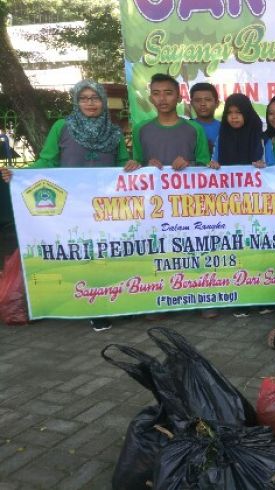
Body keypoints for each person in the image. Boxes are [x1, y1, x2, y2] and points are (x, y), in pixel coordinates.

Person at [1, 79, 129, 332]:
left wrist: (132, 167)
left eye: (95, 98)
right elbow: (47, 160)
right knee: (75, 254)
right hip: (69, 207)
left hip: (104, 206)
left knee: (102, 255)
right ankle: (72, 303)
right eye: (84, 98)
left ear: (103, 101)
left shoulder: (113, 132)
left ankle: (101, 305)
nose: (90, 103)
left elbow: (122, 165)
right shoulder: (63, 127)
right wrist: (19, 173)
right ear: (76, 101)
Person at [124, 73, 210, 172]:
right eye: (156, 94)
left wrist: (189, 164)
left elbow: (205, 166)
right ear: (151, 99)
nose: (162, 99)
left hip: (186, 186)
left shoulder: (196, 128)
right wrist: (145, 166)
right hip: (153, 186)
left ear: (179, 98)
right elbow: (137, 164)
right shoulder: (140, 129)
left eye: (168, 93)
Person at [210, 93, 265, 168]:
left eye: (238, 112)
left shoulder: (262, 139)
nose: (233, 117)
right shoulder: (221, 138)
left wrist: (263, 166)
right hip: (227, 179)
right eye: (229, 113)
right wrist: (213, 165)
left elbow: (272, 168)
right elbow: (214, 162)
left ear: (247, 113)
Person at [189, 82, 220, 154]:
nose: (203, 104)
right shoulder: (185, 127)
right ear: (191, 104)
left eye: (208, 100)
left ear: (217, 103)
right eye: (197, 100)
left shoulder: (225, 128)